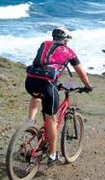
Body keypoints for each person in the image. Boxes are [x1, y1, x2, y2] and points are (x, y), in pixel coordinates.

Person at [25, 27, 92, 165]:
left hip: (30, 80)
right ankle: (52, 156)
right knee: (51, 120)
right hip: (47, 83)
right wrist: (87, 86)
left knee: (36, 96)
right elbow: (80, 72)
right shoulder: (69, 52)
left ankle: (30, 123)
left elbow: (44, 62)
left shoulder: (44, 44)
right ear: (66, 40)